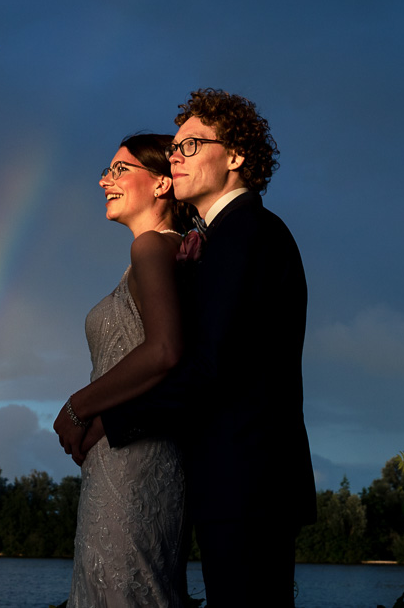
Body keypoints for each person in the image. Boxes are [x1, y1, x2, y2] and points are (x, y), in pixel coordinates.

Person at [63, 89, 316, 608]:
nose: (176, 156)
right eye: (174, 148)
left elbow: (206, 366)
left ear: (236, 157)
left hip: (249, 479)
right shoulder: (221, 237)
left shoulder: (247, 232)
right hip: (230, 480)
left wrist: (107, 419)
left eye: (191, 145)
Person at [54, 133, 193, 608]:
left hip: (132, 461)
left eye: (119, 170)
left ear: (160, 185)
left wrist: (77, 406)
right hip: (129, 455)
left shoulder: (152, 248)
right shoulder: (173, 252)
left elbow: (165, 351)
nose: (103, 180)